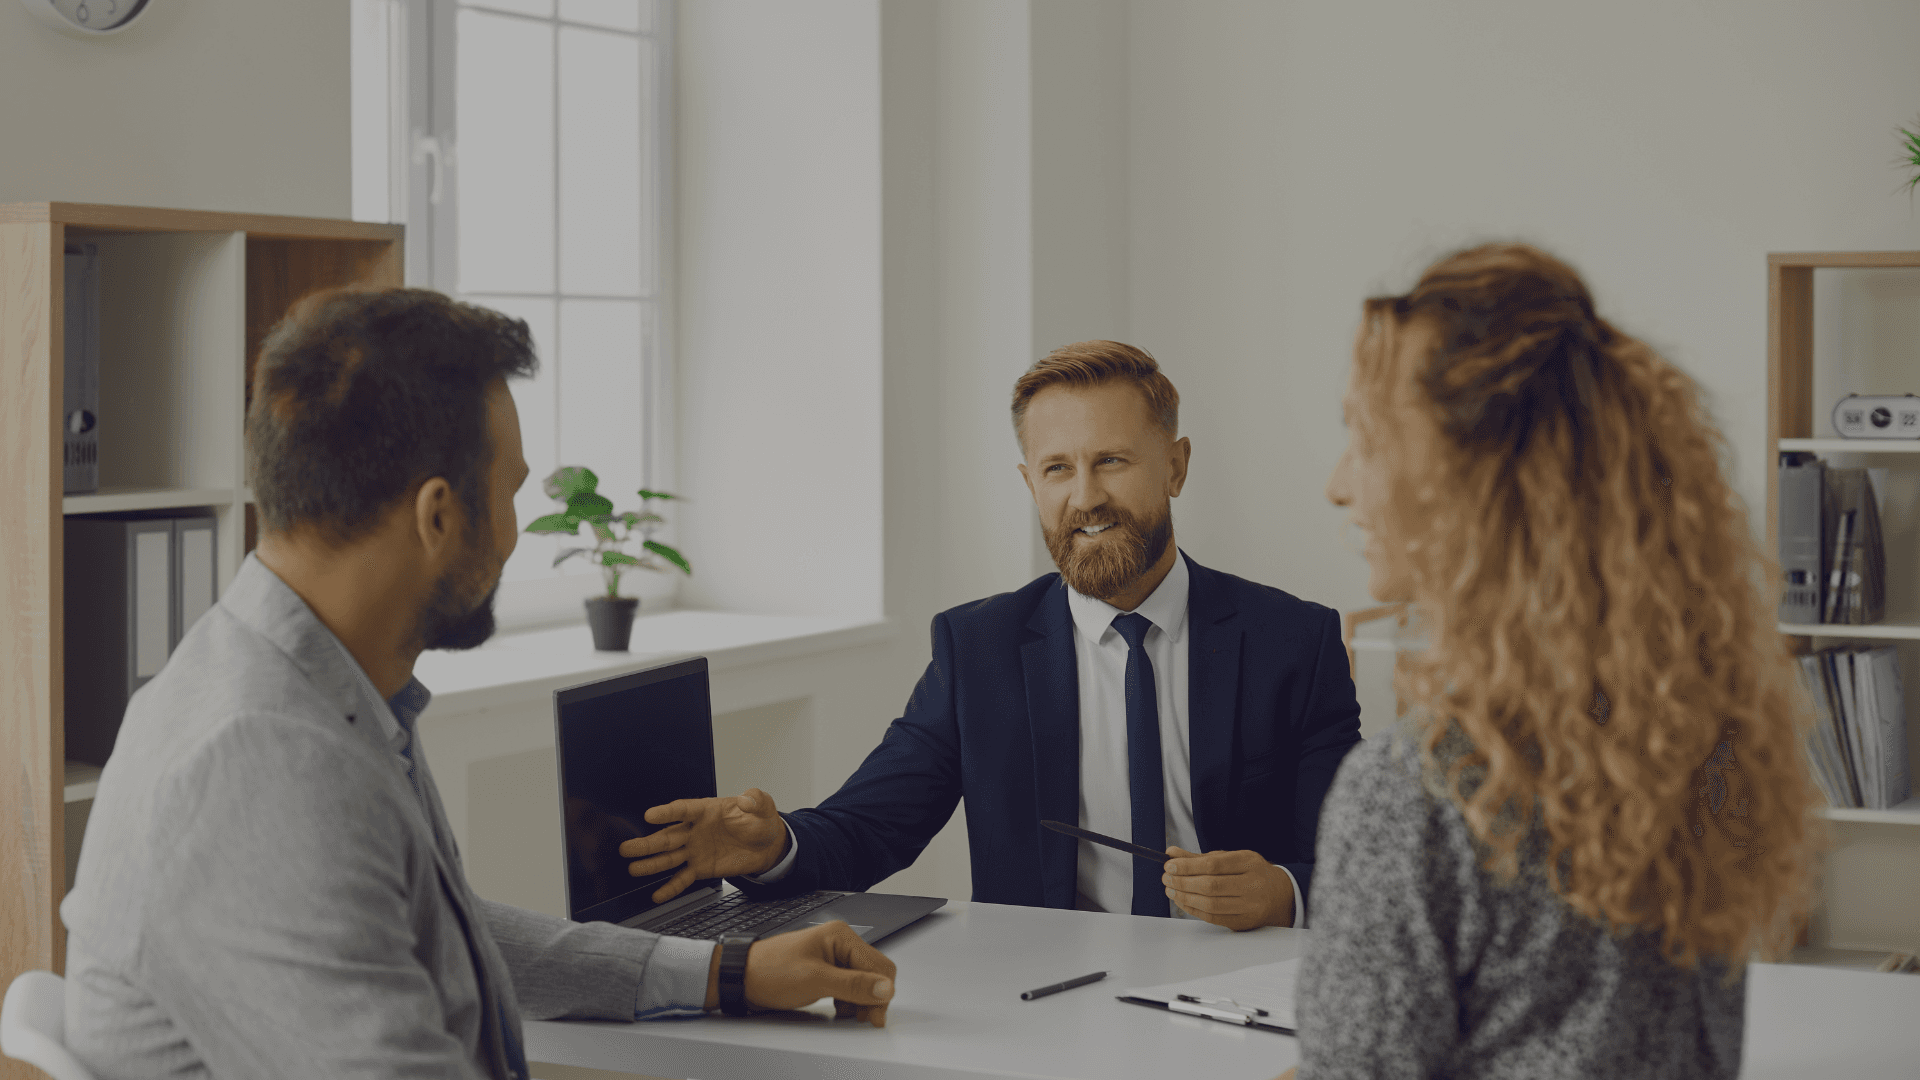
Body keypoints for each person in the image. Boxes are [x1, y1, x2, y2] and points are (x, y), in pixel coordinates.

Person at [61, 287, 897, 1080]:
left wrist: (727, 970)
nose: (512, 535)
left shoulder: (317, 686)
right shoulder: (264, 756)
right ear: (436, 516)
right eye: (509, 494)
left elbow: (443, 924)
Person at [1283, 244, 1815, 1079]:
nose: (1339, 483)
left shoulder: (1413, 796)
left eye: (1366, 435)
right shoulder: (1696, 737)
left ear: (1476, 480)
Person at [624, 341, 1363, 929]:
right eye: (1057, 469)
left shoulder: (1294, 642)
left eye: (1111, 460)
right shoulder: (977, 649)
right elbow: (869, 828)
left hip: (1237, 988)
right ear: (1029, 484)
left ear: (1175, 465)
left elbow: (1354, 871)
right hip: (1046, 1002)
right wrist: (774, 846)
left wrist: (1280, 893)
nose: (1086, 497)